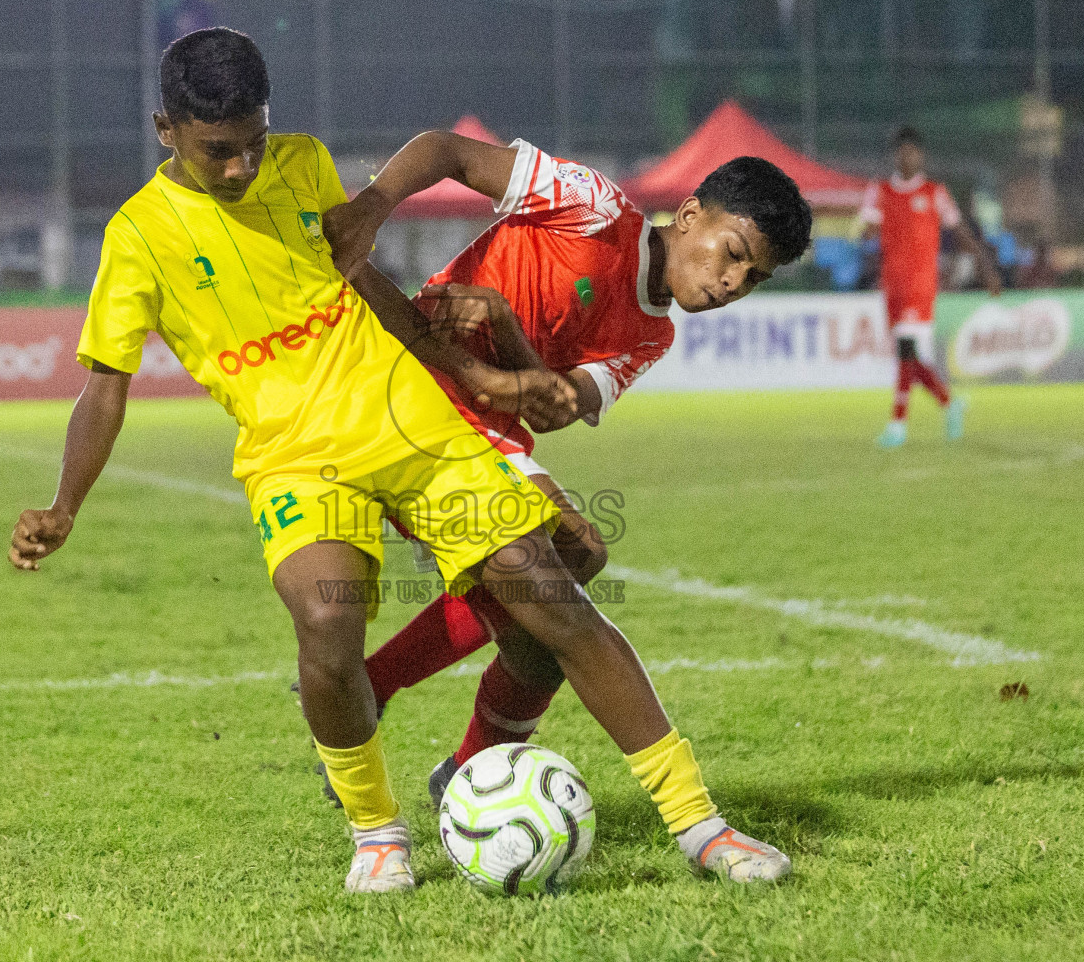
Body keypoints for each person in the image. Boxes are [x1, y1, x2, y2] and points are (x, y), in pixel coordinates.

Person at [8, 27, 791, 892]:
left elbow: (363, 281)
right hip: (292, 454)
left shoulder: (301, 165)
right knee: (327, 621)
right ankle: (378, 832)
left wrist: (482, 366)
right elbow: (105, 389)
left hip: (415, 421)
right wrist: (64, 504)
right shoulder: (136, 237)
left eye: (253, 145)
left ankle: (701, 830)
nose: (239, 169)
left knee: (555, 600)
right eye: (217, 151)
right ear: (168, 129)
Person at [320, 133, 810, 808]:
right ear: (691, 215)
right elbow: (447, 152)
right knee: (571, 559)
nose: (731, 284)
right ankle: (415, 720)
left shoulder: (650, 336)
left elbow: (549, 406)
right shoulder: (590, 206)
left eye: (752, 279)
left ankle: (452, 763)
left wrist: (504, 325)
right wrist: (373, 206)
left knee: (546, 622)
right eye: (733, 255)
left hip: (486, 418)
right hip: (414, 378)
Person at [858, 126, 1001, 449]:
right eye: (901, 151)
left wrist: (986, 268)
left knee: (906, 350)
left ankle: (898, 424)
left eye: (912, 151)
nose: (907, 156)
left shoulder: (935, 192)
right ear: (895, 155)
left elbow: (961, 232)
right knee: (907, 356)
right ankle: (950, 404)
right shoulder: (879, 191)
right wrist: (867, 233)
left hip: (921, 285)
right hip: (892, 285)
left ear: (920, 155)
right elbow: (867, 227)